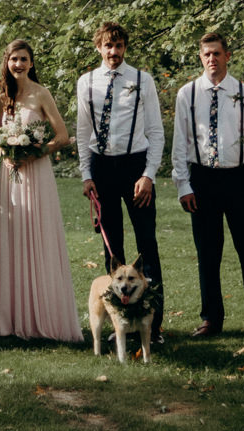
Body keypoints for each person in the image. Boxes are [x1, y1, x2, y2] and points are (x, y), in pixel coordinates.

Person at [171, 30, 244, 338]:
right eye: (206, 54)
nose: (212, 59)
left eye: (217, 53)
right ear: (200, 57)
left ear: (227, 56)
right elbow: (181, 143)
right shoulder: (187, 94)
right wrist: (183, 186)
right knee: (208, 253)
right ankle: (211, 319)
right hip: (202, 178)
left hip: (238, 178)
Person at [74, 19, 165, 340]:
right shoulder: (86, 82)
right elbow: (83, 132)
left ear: (125, 48)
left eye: (119, 46)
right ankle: (121, 323)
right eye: (108, 46)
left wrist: (148, 175)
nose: (114, 52)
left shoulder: (142, 80)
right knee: (111, 249)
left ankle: (152, 326)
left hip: (135, 167)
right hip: (102, 169)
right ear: (98, 47)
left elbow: (155, 131)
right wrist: (87, 175)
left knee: (146, 246)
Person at [0, 38, 82, 342]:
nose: (18, 64)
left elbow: (63, 135)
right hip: (10, 175)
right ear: (7, 62)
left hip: (36, 174)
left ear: (31, 63)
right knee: (13, 239)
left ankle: (43, 316)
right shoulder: (3, 97)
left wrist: (35, 152)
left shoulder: (41, 94)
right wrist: (6, 154)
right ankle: (13, 320)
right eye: (14, 59)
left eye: (24, 59)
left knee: (37, 238)